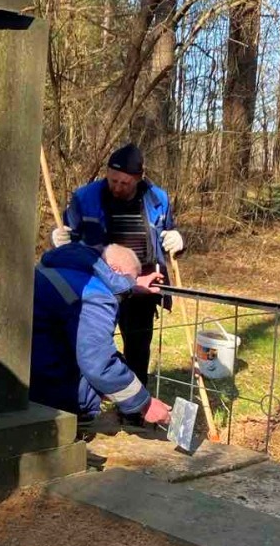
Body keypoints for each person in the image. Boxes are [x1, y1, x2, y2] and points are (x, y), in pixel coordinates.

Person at [51, 143, 183, 388]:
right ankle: (87, 399)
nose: (118, 188)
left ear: (139, 178)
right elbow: (69, 232)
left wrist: (177, 240)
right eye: (113, 180)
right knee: (94, 345)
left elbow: (167, 232)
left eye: (125, 183)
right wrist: (60, 238)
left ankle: (136, 402)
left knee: (138, 348)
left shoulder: (157, 199)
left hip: (143, 285)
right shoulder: (85, 197)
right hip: (99, 283)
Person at [30, 243, 172, 425]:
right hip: (42, 384)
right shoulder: (97, 295)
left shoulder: (61, 269)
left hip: (22, 365)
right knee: (95, 379)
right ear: (115, 270)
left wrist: (130, 285)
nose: (129, 285)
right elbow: (99, 362)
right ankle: (75, 423)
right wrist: (145, 404)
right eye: (130, 279)